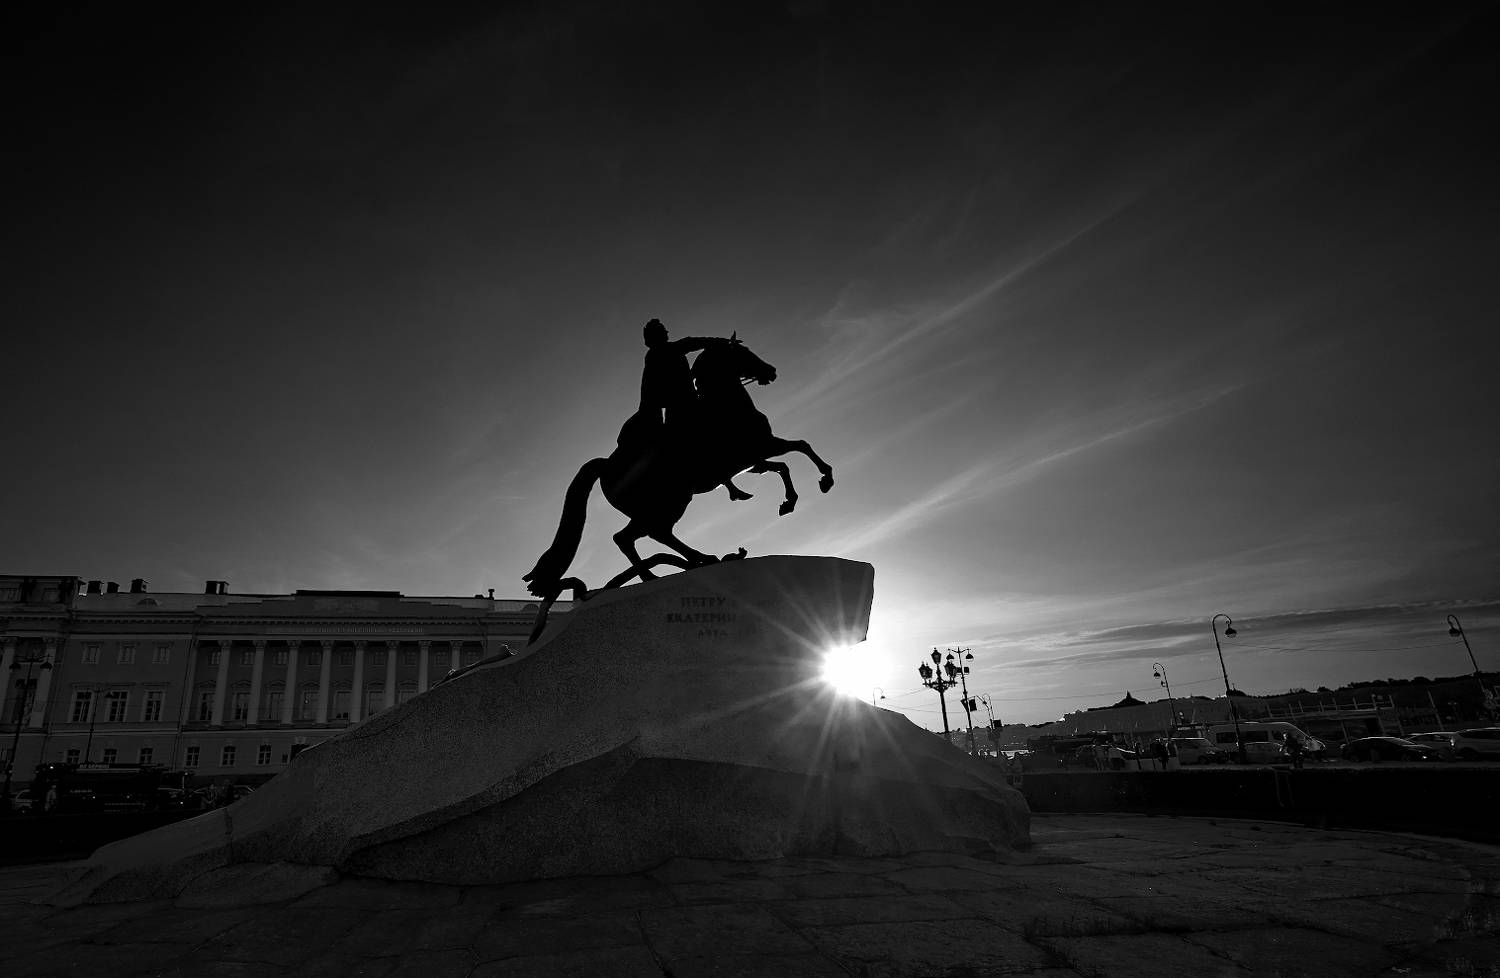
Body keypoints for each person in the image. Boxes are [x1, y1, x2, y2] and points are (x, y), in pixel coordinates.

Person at [620, 318, 751, 500]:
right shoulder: (662, 352)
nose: (667, 332)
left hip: (685, 402)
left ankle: (730, 483)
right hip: (680, 407)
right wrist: (723, 342)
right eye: (663, 330)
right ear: (656, 336)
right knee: (708, 435)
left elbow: (690, 356)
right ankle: (726, 483)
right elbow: (692, 343)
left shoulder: (664, 352)